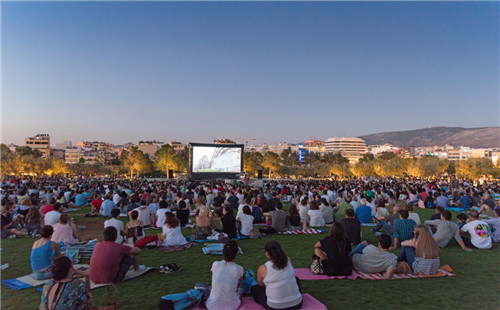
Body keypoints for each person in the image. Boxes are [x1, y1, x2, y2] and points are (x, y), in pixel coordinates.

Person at [252, 241, 303, 310]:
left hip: (275, 307)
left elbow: (261, 285)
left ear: (267, 253)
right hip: (297, 304)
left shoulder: (263, 268)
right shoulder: (287, 259)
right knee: (295, 279)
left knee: (255, 289)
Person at [206, 240, 244, 310]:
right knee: (243, 283)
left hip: (212, 306)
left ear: (223, 251)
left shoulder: (215, 264)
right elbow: (237, 285)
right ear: (236, 253)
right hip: (232, 306)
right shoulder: (239, 269)